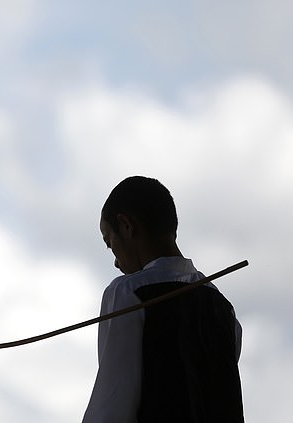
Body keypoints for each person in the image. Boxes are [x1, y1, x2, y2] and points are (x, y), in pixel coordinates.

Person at [83, 176, 244, 423]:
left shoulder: (128, 293)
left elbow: (111, 411)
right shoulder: (226, 312)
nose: (115, 261)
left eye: (110, 243)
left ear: (126, 225)